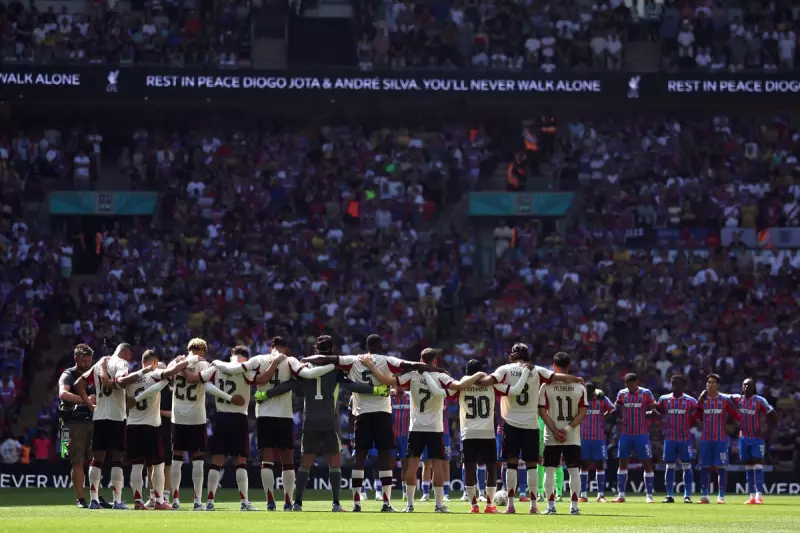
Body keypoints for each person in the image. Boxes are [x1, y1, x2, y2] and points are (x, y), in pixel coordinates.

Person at [211, 336, 335, 511]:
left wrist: (216, 362)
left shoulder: (258, 359)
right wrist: (332, 366)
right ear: (284, 348)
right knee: (288, 462)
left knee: (267, 460)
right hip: (285, 416)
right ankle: (287, 501)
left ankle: (270, 501)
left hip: (264, 415)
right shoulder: (290, 360)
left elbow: (235, 368)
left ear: (271, 348)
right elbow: (308, 374)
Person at [362, 348, 486, 513]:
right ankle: (439, 505)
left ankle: (410, 505)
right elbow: (460, 385)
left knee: (412, 466)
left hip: (416, 428)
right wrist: (479, 375)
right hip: (435, 429)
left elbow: (386, 380)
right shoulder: (441, 376)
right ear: (435, 361)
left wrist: (371, 365)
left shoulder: (412, 376)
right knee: (437, 466)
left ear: (420, 360)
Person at [285, 336, 389, 512]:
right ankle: (336, 504)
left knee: (305, 464)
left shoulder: (304, 368)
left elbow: (289, 384)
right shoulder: (335, 369)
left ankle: (297, 503)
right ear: (332, 350)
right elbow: (353, 386)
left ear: (315, 350)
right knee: (334, 463)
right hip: (330, 421)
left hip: (309, 420)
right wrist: (375, 389)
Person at [325, 334, 425, 512]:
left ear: (366, 346)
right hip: (382, 414)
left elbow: (328, 359)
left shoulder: (354, 360)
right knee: (385, 458)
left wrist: (305, 360)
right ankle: (386, 503)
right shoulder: (388, 360)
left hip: (362, 414)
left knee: (360, 458)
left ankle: (356, 503)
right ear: (381, 345)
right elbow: (410, 365)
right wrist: (430, 368)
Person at [481, 343, 583, 514]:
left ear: (512, 355)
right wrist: (576, 379)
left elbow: (487, 382)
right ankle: (533, 506)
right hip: (531, 424)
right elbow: (559, 377)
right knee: (531, 465)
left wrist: (480, 377)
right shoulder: (537, 370)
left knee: (511, 464)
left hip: (510, 423)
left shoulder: (505, 369)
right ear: (528, 355)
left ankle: (511, 505)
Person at [170, 338, 245, 511]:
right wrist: (229, 398)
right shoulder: (204, 365)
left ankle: (175, 499)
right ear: (203, 350)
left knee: (177, 457)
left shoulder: (177, 362)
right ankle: (197, 501)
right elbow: (209, 387)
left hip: (177, 416)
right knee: (197, 459)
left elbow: (165, 378)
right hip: (196, 417)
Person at [74, 343, 150, 509]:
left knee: (97, 459)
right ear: (126, 353)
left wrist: (88, 403)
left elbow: (78, 383)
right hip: (116, 416)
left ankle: (93, 500)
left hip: (99, 416)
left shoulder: (100, 363)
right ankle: (117, 501)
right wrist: (140, 373)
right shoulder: (121, 363)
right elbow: (121, 381)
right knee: (117, 459)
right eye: (130, 356)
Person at [458, 358, 528, 514]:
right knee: (491, 468)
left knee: (469, 468)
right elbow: (514, 390)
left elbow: (452, 388)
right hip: (487, 433)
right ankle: (490, 505)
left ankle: (473, 505)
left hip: (468, 432)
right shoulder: (491, 384)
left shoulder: (463, 383)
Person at [124, 351, 189, 510]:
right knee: (158, 464)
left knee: (137, 465)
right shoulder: (154, 376)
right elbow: (169, 372)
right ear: (154, 363)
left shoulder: (130, 378)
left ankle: (138, 502)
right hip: (151, 426)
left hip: (132, 425)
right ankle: (159, 501)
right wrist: (185, 361)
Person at [200, 346, 258, 511]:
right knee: (240, 460)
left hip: (220, 417)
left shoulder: (216, 368)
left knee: (217, 461)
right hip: (238, 418)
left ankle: (210, 502)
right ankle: (244, 502)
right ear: (246, 359)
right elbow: (259, 380)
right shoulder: (246, 371)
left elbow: (202, 381)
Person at [538, 352, 587, 515]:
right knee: (574, 470)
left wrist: (554, 430)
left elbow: (542, 411)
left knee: (550, 470)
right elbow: (581, 413)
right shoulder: (580, 387)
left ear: (554, 366)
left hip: (552, 434)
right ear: (569, 366)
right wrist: (566, 430)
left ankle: (551, 507)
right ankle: (573, 507)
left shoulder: (545, 386)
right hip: (572, 434)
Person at [57, 343, 98, 508]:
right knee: (76, 460)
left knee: (95, 460)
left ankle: (95, 497)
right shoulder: (69, 374)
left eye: (89, 360)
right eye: (84, 360)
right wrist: (86, 400)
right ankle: (80, 499)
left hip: (92, 420)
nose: (87, 364)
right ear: (76, 358)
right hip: (72, 422)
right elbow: (63, 393)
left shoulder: (94, 374)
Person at [730, 378, 777, 505]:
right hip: (743, 438)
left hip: (757, 439)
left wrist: (767, 430)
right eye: (744, 385)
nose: (746, 387)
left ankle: (759, 496)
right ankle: (751, 496)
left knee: (758, 466)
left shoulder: (760, 401)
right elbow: (723, 396)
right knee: (748, 467)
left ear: (753, 387)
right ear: (741, 387)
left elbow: (774, 415)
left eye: (749, 385)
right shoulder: (737, 399)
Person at [652, 374, 698, 504]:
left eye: (677, 384)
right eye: (672, 384)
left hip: (685, 439)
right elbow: (657, 411)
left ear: (683, 386)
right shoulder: (664, 399)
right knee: (669, 466)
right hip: (669, 438)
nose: (674, 386)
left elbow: (699, 413)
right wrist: (646, 413)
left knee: (687, 466)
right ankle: (669, 495)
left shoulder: (690, 401)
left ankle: (687, 496)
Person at [612, 373, 656, 503]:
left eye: (631, 384)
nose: (629, 386)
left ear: (637, 382)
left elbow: (653, 408)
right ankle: (621, 495)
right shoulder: (622, 394)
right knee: (622, 463)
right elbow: (617, 407)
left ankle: (649, 495)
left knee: (647, 463)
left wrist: (649, 413)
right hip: (626, 433)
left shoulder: (646, 393)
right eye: (627, 384)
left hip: (641, 434)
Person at [696, 374, 740, 504]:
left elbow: (736, 416)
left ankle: (721, 496)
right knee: (704, 467)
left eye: (713, 382)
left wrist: (732, 428)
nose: (710, 384)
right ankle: (704, 496)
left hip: (720, 439)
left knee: (721, 468)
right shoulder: (702, 400)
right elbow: (695, 415)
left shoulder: (725, 400)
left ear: (718, 385)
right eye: (708, 382)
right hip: (705, 439)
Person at [578, 383, 614, 502]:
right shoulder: (579, 399)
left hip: (598, 438)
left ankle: (600, 495)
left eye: (591, 391)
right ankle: (583, 494)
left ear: (594, 391)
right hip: (583, 438)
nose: (588, 393)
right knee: (584, 465)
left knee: (600, 465)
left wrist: (604, 416)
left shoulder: (601, 399)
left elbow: (613, 410)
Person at [392, 388, 411, 501]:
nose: (400, 387)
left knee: (405, 464)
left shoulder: (410, 397)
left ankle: (405, 490)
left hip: (406, 436)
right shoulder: (391, 398)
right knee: (388, 463)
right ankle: (383, 491)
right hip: (392, 436)